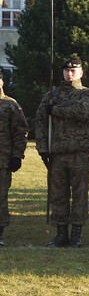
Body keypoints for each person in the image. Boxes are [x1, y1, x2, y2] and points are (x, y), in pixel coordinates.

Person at [36, 57, 89, 248]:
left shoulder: (86, 94)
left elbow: (83, 112)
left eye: (74, 71)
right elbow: (40, 121)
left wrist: (56, 110)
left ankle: (76, 234)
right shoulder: (52, 96)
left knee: (79, 194)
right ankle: (61, 233)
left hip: (79, 153)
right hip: (57, 154)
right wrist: (43, 148)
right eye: (66, 70)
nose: (69, 74)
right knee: (58, 194)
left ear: (81, 73)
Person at [0, 70, 28, 247]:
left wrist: (17, 156)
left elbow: (20, 131)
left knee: (0, 197)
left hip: (2, 160)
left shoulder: (10, 105)